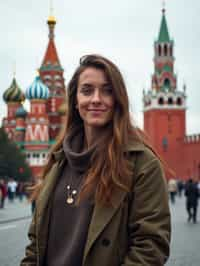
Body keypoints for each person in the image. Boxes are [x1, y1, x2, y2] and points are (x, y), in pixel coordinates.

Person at [20, 54, 171, 266]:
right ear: (75, 101)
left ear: (118, 100)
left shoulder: (141, 163)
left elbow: (151, 246)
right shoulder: (58, 161)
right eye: (87, 90)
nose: (96, 99)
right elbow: (35, 243)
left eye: (107, 91)